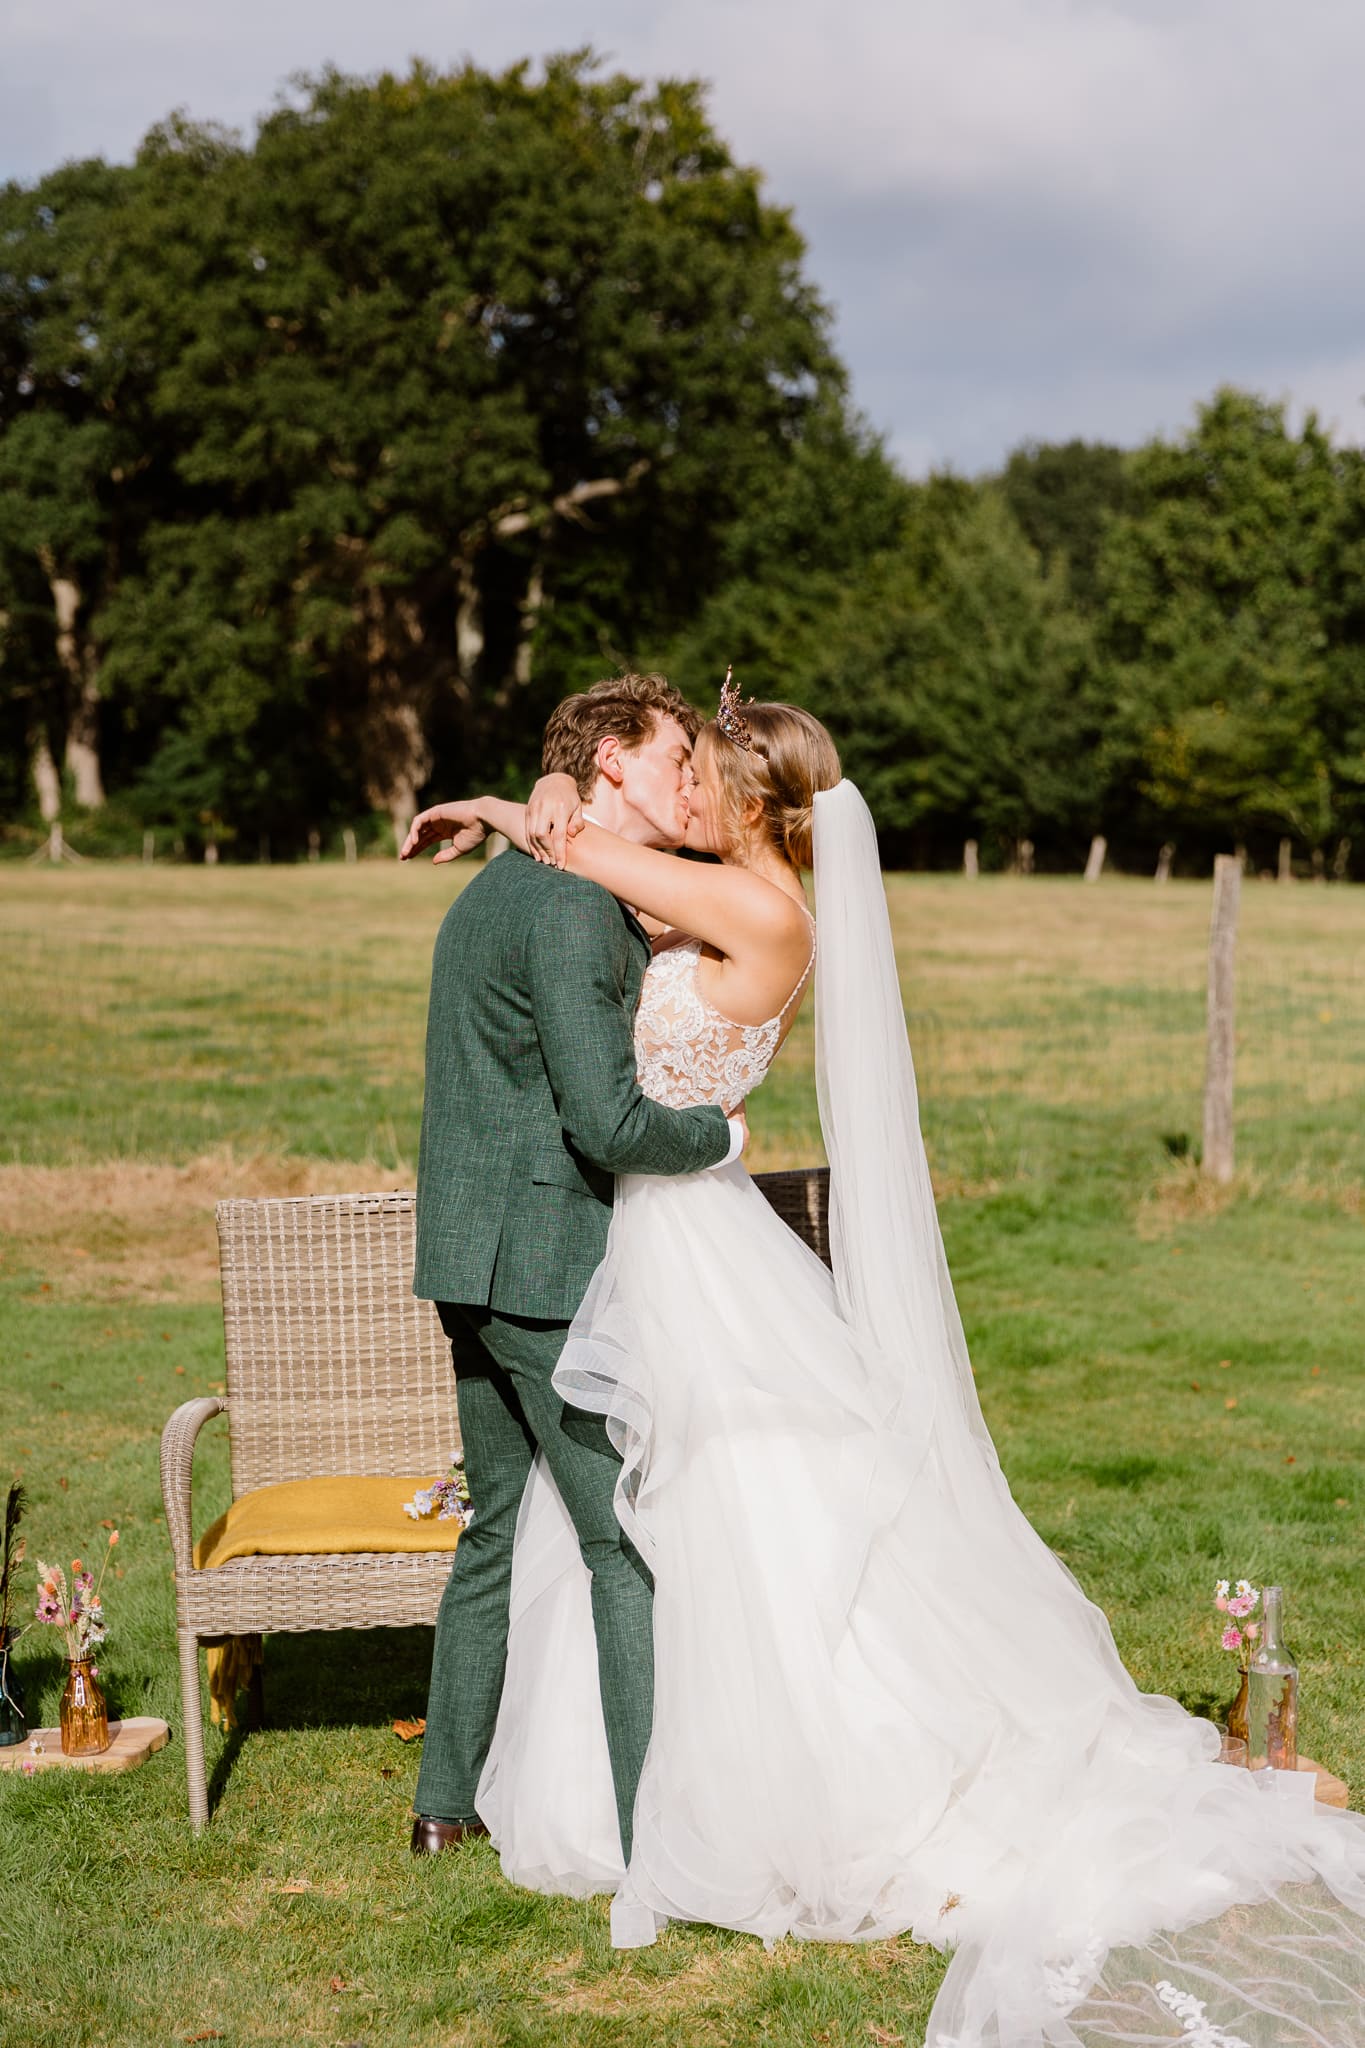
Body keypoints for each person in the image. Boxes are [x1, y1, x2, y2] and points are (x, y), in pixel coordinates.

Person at [402, 677, 1365, 2048]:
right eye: (669, 770)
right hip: (641, 1250)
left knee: (693, 1528)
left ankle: (680, 1811)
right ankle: (616, 1792)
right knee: (639, 1519)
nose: (683, 792)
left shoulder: (760, 909)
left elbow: (581, 852)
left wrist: (533, 803)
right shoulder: (704, 884)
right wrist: (546, 794)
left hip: (686, 1233)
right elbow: (593, 855)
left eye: (701, 773)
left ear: (749, 797)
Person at [405, 673, 746, 1866]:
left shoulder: (509, 887)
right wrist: (721, 1136)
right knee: (620, 1540)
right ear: (608, 762)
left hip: (469, 1252)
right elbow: (607, 1121)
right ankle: (652, 1825)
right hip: (540, 1266)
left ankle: (440, 1805)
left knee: (492, 1529)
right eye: (670, 759)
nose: (687, 780)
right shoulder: (566, 910)